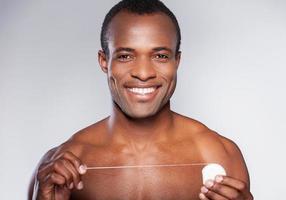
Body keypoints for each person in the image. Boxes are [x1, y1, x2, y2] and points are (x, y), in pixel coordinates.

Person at [28, 0, 253, 199]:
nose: (143, 73)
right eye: (125, 56)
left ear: (177, 61)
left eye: (160, 56)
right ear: (104, 61)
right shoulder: (62, 166)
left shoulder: (218, 154)